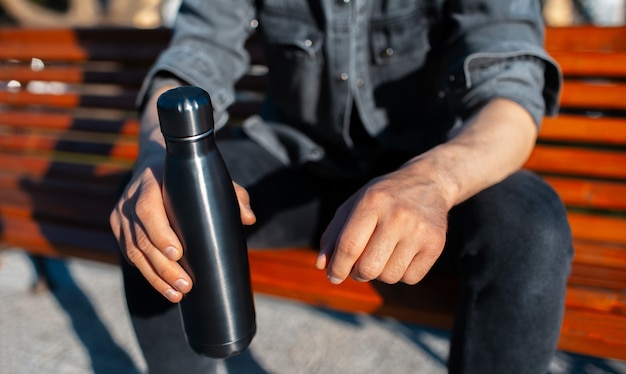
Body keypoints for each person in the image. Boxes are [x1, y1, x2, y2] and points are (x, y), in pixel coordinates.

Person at [110, 0, 573, 373]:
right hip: (295, 163)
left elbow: (509, 95)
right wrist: (155, 155)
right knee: (158, 212)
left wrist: (433, 179)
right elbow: (195, 59)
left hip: (428, 168)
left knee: (532, 229)